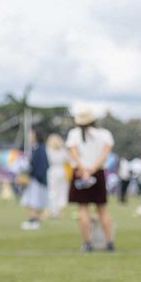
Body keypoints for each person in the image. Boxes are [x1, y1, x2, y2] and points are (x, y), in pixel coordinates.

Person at [66, 108, 115, 252]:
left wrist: (85, 170)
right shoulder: (105, 134)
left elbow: (74, 154)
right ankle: (109, 242)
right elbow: (105, 154)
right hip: (97, 172)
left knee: (83, 208)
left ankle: (88, 243)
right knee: (102, 209)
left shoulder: (73, 134)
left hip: (80, 172)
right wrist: (93, 170)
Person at [20, 130, 49, 230]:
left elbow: (42, 166)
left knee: (34, 202)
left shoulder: (40, 149)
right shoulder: (34, 149)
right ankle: (33, 220)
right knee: (31, 202)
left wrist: (32, 175)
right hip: (33, 179)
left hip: (37, 180)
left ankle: (34, 221)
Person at [46, 134, 69, 218]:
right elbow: (68, 160)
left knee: (53, 191)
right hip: (62, 171)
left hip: (53, 171)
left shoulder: (49, 150)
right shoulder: (63, 151)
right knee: (61, 191)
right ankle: (58, 210)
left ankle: (54, 210)